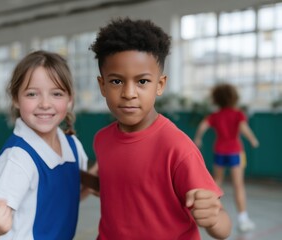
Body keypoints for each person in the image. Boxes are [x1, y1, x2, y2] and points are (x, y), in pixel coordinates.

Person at [87, 17, 231, 239]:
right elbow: (123, 188)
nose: (129, 93)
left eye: (142, 81)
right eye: (116, 81)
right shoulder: (102, 139)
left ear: (160, 85)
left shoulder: (178, 148)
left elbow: (223, 227)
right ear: (102, 85)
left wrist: (213, 218)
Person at [0, 50, 88, 240]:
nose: (45, 103)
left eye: (57, 93)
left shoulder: (73, 146)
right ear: (15, 98)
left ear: (70, 99)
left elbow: (69, 197)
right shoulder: (18, 159)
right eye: (32, 94)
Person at [194, 83, 259, 232]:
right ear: (234, 97)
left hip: (220, 152)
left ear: (216, 99)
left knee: (216, 183)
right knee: (238, 185)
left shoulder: (215, 116)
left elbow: (203, 126)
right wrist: (253, 139)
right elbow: (244, 129)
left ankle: (213, 214)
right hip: (235, 153)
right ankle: (243, 219)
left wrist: (198, 138)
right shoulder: (238, 114)